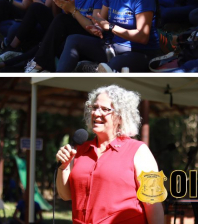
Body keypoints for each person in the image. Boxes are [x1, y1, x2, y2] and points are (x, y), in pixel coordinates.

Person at [55, 85, 165, 224]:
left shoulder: (139, 151)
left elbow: (153, 204)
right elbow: (65, 195)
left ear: (121, 116)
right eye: (95, 107)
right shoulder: (80, 150)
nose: (96, 113)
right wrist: (63, 167)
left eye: (105, 109)